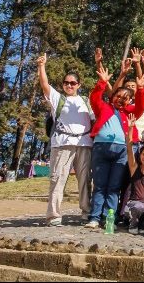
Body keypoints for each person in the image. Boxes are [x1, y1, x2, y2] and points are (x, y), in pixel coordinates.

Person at [85, 62, 144, 229]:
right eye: (118, 96)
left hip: (122, 151)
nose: (121, 99)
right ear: (113, 97)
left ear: (129, 101)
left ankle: (108, 218)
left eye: (125, 98)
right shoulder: (103, 107)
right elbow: (94, 98)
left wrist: (141, 89)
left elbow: (142, 106)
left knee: (114, 187)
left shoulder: (130, 112)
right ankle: (94, 217)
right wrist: (102, 82)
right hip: (101, 148)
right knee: (99, 185)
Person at [38, 53, 94, 226]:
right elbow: (45, 85)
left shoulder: (86, 101)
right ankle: (54, 215)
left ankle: (87, 211)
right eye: (66, 83)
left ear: (79, 85)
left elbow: (95, 119)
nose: (69, 85)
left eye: (73, 83)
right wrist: (41, 66)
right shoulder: (58, 99)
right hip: (62, 143)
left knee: (85, 180)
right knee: (57, 178)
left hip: (84, 143)